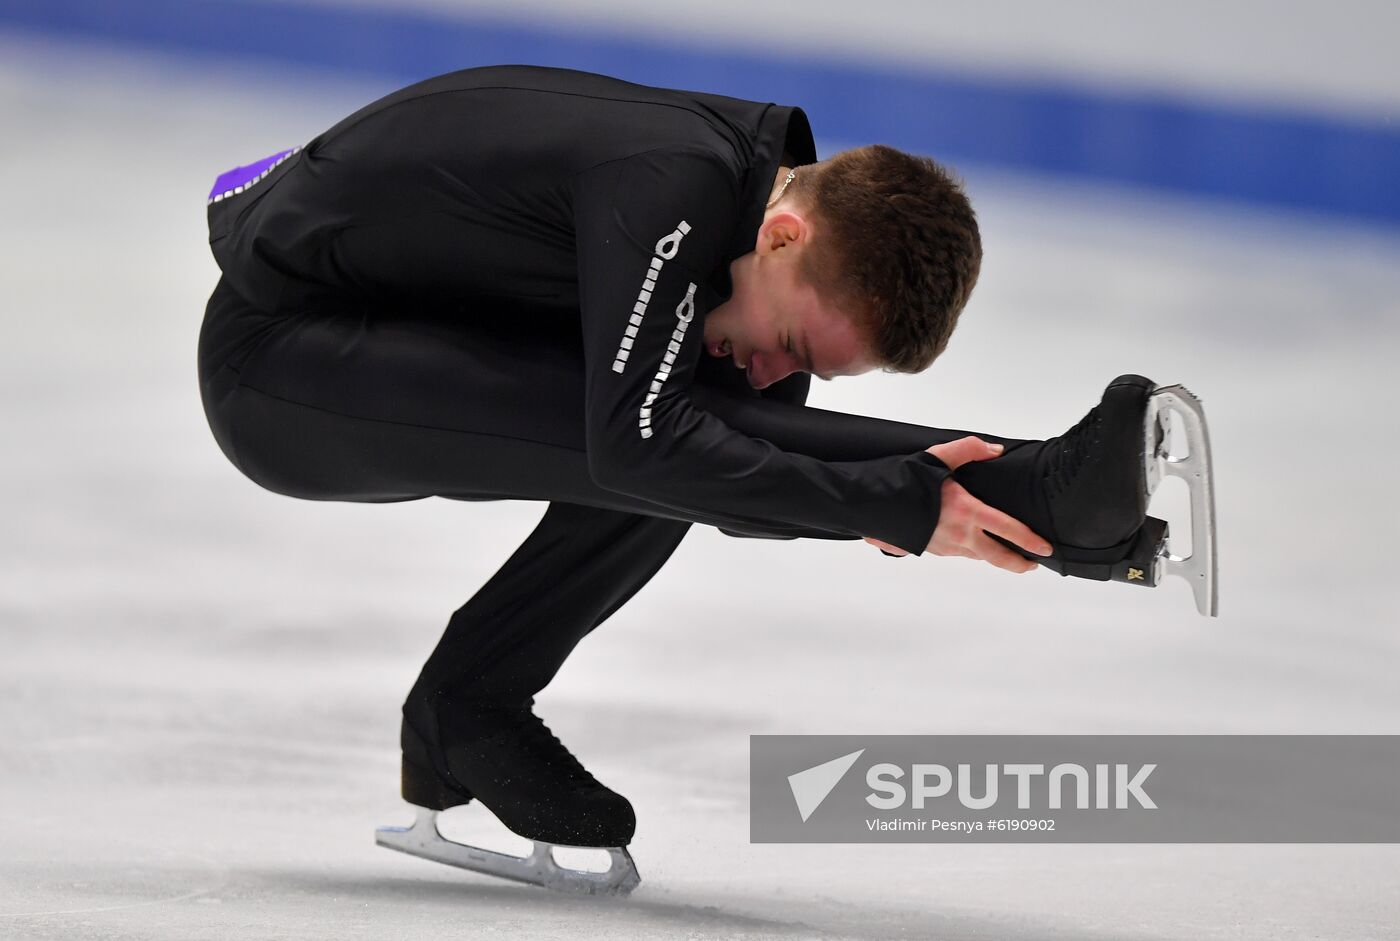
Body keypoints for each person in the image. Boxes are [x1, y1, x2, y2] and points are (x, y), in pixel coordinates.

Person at [198, 64, 1207, 893]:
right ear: (782, 236)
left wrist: (865, 495)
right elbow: (643, 450)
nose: (777, 372)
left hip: (425, 320)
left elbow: (736, 472)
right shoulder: (669, 190)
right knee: (660, 426)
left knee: (696, 417)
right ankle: (1043, 491)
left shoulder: (746, 215)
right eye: (789, 343)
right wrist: (889, 497)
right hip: (281, 360)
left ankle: (464, 714)